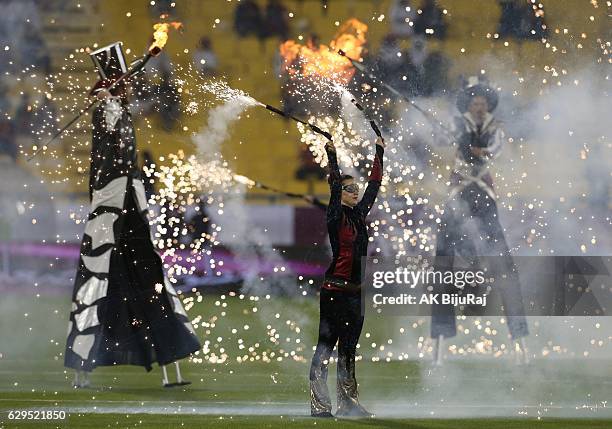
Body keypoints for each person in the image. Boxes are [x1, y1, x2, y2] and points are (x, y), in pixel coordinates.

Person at [64, 42, 200, 388]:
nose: (127, 89)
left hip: (131, 202)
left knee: (152, 277)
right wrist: (103, 98)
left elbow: (127, 113)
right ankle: (82, 367)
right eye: (122, 85)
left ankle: (173, 364)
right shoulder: (106, 110)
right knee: (96, 274)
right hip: (110, 201)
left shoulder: (121, 108)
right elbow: (107, 127)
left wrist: (113, 98)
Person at [430, 77, 528, 365]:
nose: (479, 105)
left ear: (488, 105)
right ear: (468, 104)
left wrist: (477, 150)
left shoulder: (496, 128)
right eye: (475, 101)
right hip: (458, 197)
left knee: (503, 263)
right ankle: (439, 339)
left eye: (483, 102)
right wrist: (456, 136)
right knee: (443, 263)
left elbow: (493, 150)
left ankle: (520, 337)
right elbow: (440, 138)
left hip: (484, 197)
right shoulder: (456, 123)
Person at [310, 136, 385, 418]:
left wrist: (379, 150)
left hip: (355, 292)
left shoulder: (359, 214)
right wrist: (331, 155)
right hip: (335, 291)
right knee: (326, 346)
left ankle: (348, 402)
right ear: (340, 194)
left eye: (356, 188)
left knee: (349, 350)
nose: (355, 192)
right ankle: (320, 404)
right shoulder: (335, 215)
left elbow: (375, 185)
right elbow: (333, 184)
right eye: (349, 189)